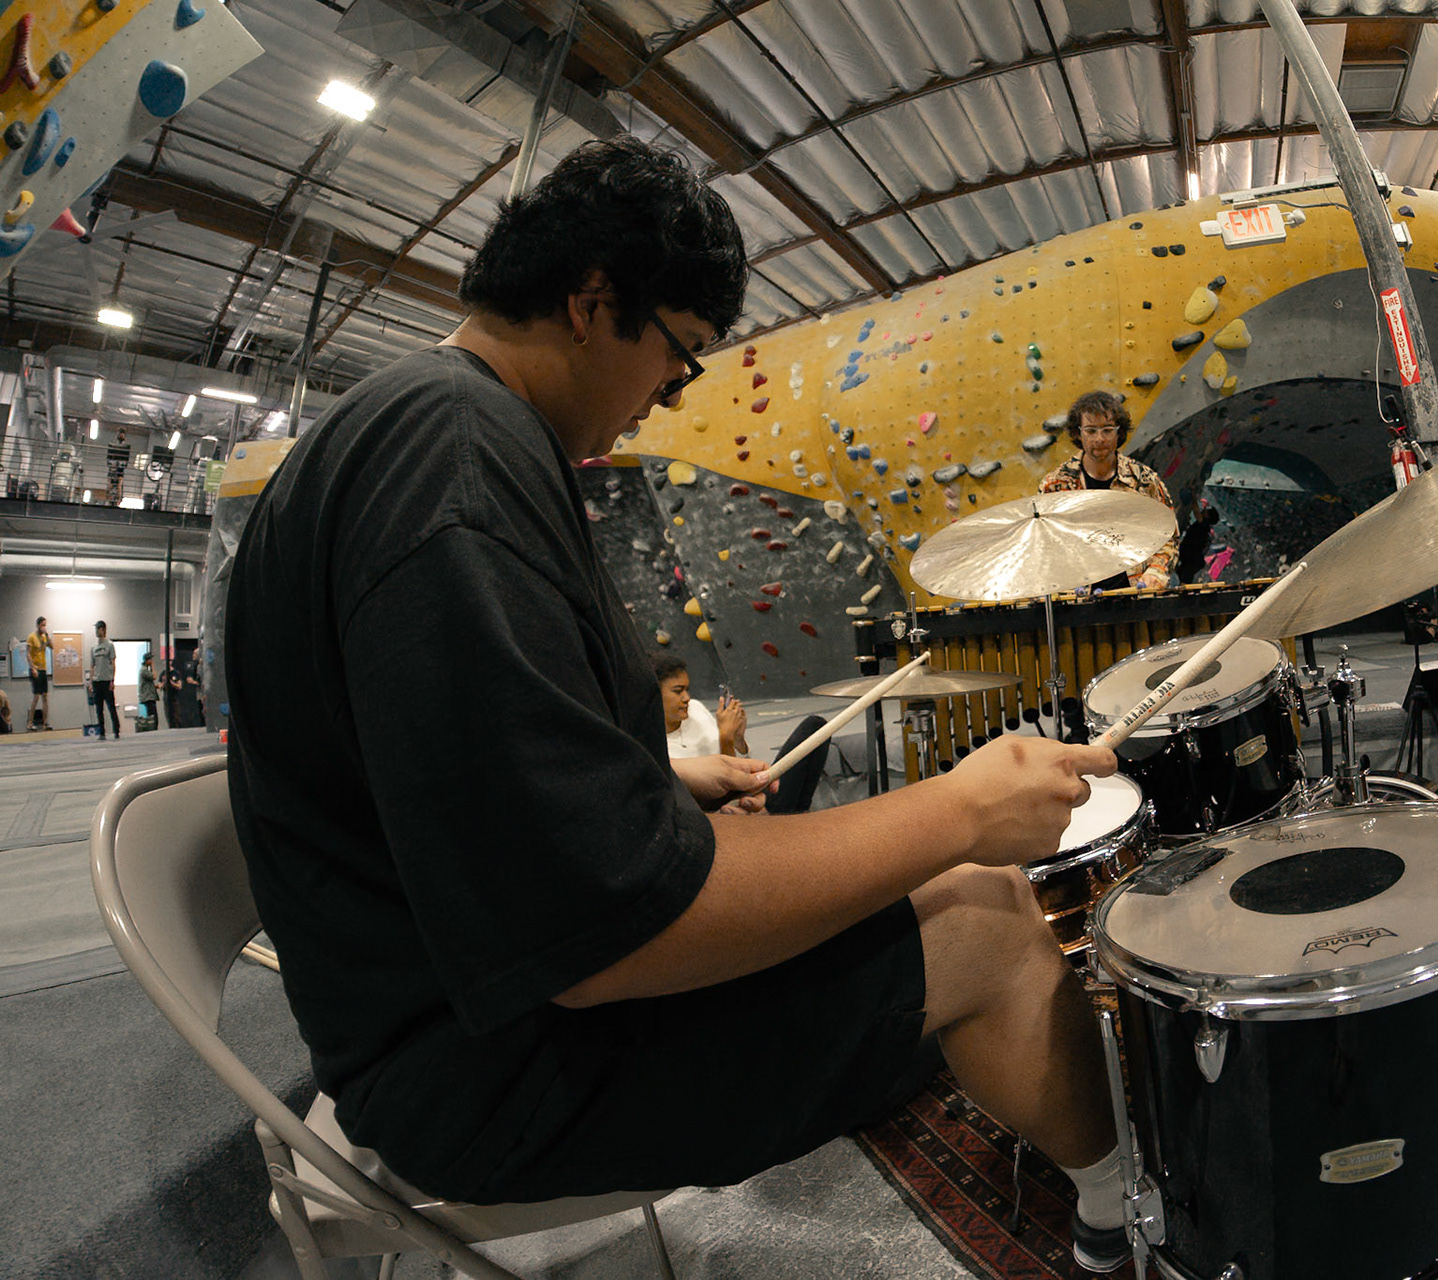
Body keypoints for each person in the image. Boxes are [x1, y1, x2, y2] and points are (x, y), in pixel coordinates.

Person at [223, 137, 1134, 1272]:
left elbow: (440, 776)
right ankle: (1131, 1216)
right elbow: (605, 935)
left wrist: (650, 782)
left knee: (907, 878)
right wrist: (956, 809)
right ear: (593, 302)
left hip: (452, 998)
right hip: (482, 1069)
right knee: (982, 912)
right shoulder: (457, 470)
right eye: (681, 357)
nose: (669, 397)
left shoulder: (422, 427)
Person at [1038, 390, 1178, 590]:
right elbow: (1043, 546)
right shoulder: (1055, 486)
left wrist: (1155, 572)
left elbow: (1169, 536)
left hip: (1135, 593)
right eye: (1091, 430)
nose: (1100, 439)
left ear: (1118, 432)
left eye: (1107, 430)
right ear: (1078, 433)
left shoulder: (1144, 480)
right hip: (1079, 598)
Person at [657, 655, 748, 758]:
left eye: (687, 690)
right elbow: (726, 773)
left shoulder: (695, 707)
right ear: (655, 694)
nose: (687, 698)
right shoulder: (654, 749)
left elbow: (744, 760)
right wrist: (726, 737)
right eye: (678, 691)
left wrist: (738, 739)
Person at [87, 620, 118, 740]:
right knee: (99, 709)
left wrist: (112, 680)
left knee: (111, 707)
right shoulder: (93, 647)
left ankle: (116, 730)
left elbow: (113, 663)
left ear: (103, 630)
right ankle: (102, 732)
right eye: (96, 628)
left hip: (106, 680)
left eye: (98, 628)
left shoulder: (109, 645)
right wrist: (90, 682)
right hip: (97, 681)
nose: (96, 631)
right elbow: (91, 666)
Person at [25, 616, 49, 730]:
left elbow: (52, 646)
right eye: (42, 625)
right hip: (35, 669)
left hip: (43, 669)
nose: (44, 627)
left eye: (45, 625)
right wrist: (32, 668)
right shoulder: (31, 637)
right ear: (38, 625)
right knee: (36, 696)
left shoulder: (44, 637)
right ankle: (30, 722)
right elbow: (28, 654)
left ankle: (45, 723)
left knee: (45, 696)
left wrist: (47, 635)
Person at [138, 653, 158, 725]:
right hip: (148, 696)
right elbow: (154, 676)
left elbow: (147, 684)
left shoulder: (145, 669)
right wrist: (153, 668)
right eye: (150, 660)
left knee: (152, 714)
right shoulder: (144, 670)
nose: (152, 661)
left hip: (149, 695)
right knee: (152, 716)